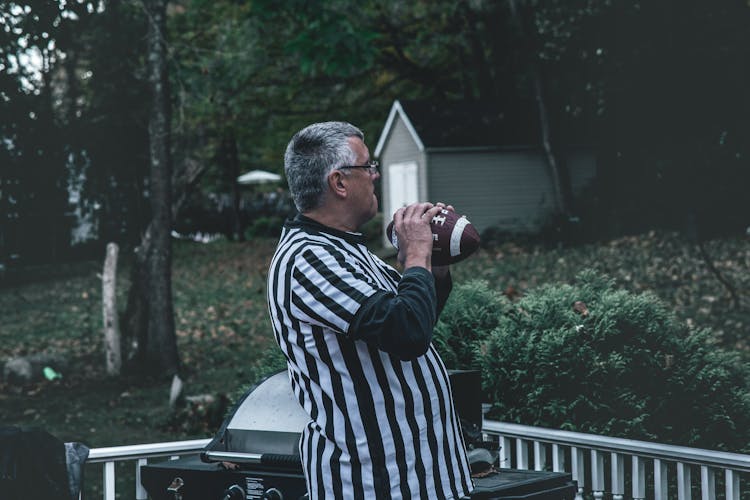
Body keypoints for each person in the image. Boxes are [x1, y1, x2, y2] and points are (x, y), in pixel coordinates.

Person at [267, 121, 473, 499]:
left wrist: (433, 265)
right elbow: (405, 332)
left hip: (423, 479)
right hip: (374, 483)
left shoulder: (349, 252)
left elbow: (416, 321)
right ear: (339, 182)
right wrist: (414, 256)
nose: (375, 175)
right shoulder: (306, 259)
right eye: (368, 166)